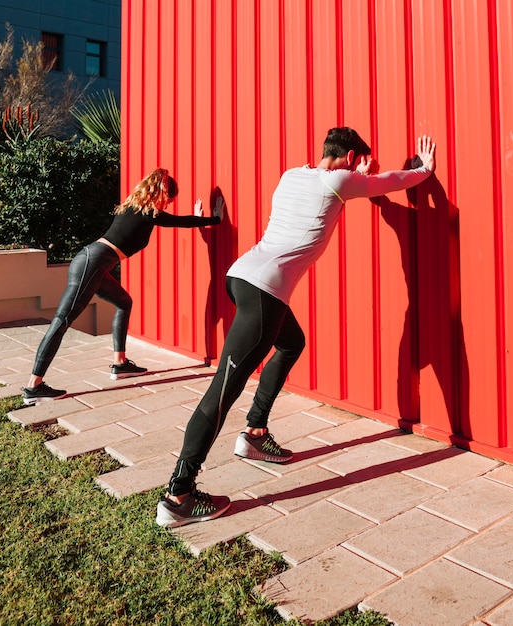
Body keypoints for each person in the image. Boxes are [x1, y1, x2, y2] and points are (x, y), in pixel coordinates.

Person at [155, 129, 436, 528]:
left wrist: (359, 178)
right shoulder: (340, 180)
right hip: (265, 292)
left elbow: (345, 192)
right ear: (351, 156)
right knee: (222, 391)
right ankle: (178, 495)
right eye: (356, 162)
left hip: (242, 277)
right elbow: (390, 182)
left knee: (292, 342)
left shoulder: (292, 175)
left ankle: (254, 433)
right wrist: (424, 170)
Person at [22, 168, 223, 406]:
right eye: (168, 199)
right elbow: (180, 222)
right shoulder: (148, 212)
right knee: (62, 320)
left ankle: (120, 363)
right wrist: (214, 219)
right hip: (92, 263)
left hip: (93, 262)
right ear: (161, 192)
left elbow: (176, 220)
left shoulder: (133, 208)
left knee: (124, 302)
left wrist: (198, 220)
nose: (168, 204)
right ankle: (34, 386)